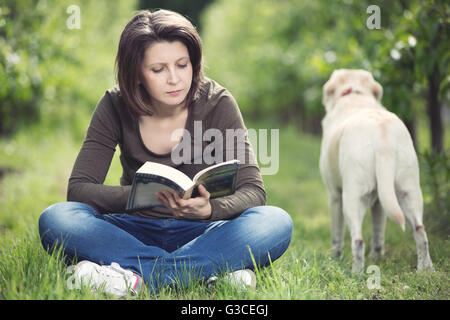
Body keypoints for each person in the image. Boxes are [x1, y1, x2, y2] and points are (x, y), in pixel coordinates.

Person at [38, 9, 293, 297]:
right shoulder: (114, 104)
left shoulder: (218, 102)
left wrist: (210, 209)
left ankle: (132, 276)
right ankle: (210, 272)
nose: (175, 79)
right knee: (57, 218)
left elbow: (254, 191)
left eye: (182, 65)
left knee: (275, 221)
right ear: (136, 74)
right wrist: (140, 198)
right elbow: (79, 190)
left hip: (204, 230)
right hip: (133, 229)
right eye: (158, 70)